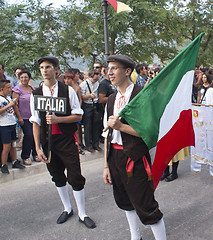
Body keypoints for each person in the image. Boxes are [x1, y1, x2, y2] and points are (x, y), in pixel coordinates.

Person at [102, 54, 166, 240]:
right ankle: (134, 236)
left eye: (114, 68)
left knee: (146, 205)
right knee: (124, 200)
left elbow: (151, 132)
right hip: (115, 157)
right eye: (109, 68)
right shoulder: (112, 98)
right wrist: (106, 165)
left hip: (135, 158)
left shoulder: (141, 96)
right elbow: (108, 134)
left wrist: (121, 127)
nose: (110, 72)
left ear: (127, 71)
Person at [30, 56, 96, 228]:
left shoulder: (67, 91)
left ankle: (82, 212)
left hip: (66, 139)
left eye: (48, 67)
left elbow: (78, 115)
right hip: (47, 141)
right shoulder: (36, 94)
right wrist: (37, 147)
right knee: (57, 175)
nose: (44, 70)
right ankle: (67, 209)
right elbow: (36, 122)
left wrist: (59, 120)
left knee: (75, 175)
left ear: (56, 69)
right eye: (42, 67)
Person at [12, 70, 39, 165]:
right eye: (22, 77)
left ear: (29, 78)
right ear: (19, 78)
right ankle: (25, 156)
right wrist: (19, 117)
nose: (24, 79)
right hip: (24, 116)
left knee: (36, 135)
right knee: (29, 135)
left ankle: (36, 153)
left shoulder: (32, 88)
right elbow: (15, 104)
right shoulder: (17, 89)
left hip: (34, 116)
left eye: (26, 77)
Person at [0, 79, 25, 174]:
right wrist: (8, 105)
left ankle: (15, 161)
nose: (10, 89)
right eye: (8, 88)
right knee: (6, 146)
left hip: (12, 124)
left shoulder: (9, 98)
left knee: (13, 144)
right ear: (2, 89)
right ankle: (4, 164)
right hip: (4, 126)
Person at [80, 70, 102, 153]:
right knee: (88, 126)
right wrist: (89, 96)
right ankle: (88, 145)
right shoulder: (84, 84)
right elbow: (81, 96)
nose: (95, 81)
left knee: (96, 124)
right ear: (90, 77)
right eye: (94, 79)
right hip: (87, 105)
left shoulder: (97, 83)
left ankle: (96, 144)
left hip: (95, 105)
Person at [63, 70, 84, 155]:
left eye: (69, 79)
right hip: (67, 112)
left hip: (75, 110)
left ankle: (79, 145)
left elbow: (80, 99)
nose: (67, 81)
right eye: (66, 79)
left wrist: (77, 109)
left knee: (77, 128)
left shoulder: (76, 87)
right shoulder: (64, 89)